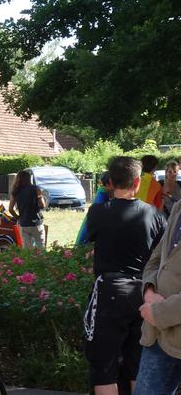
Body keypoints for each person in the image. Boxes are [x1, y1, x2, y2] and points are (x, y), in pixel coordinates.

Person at [81, 156, 166, 395]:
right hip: (144, 290)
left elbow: (90, 237)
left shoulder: (98, 212)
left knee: (103, 365)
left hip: (109, 290)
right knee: (136, 364)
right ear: (137, 181)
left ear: (110, 180)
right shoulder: (153, 214)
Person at [136, 199, 181, 393]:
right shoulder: (178, 206)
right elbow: (157, 259)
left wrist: (159, 312)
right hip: (158, 337)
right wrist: (149, 291)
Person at [10, 170, 47, 249]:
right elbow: (43, 205)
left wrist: (18, 217)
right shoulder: (36, 189)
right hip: (36, 222)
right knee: (41, 247)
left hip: (24, 223)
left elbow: (10, 209)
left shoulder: (15, 191)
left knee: (27, 249)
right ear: (29, 178)